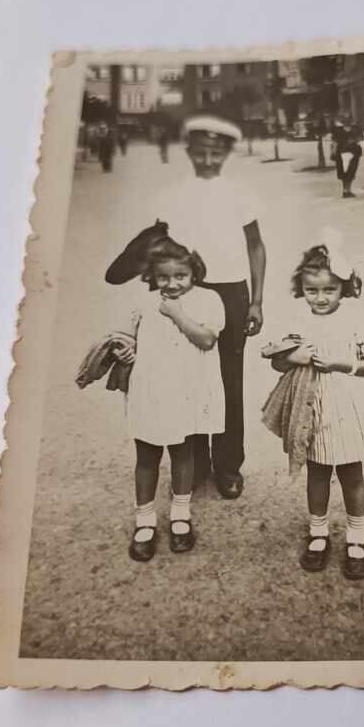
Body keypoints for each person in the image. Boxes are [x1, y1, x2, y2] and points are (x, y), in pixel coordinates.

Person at [105, 114, 266, 501]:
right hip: (184, 289)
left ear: (227, 153)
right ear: (190, 151)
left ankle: (228, 465)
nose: (209, 160)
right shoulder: (171, 195)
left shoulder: (239, 193)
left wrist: (257, 300)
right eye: (202, 152)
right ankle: (194, 462)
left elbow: (256, 246)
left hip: (230, 291)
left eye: (217, 153)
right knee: (185, 375)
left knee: (229, 379)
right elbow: (157, 248)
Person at [261, 231, 364, 580]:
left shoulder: (357, 318)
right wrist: (294, 357)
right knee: (316, 471)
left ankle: (357, 539)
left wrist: (341, 364)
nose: (320, 298)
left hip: (349, 403)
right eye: (312, 290)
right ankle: (318, 533)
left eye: (329, 290)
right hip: (310, 406)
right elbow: (277, 362)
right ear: (302, 288)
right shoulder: (298, 320)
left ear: (345, 288)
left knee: (350, 473)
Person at [110, 236, 225, 562]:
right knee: (146, 455)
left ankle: (180, 516)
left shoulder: (209, 299)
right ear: (152, 276)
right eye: (164, 277)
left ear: (194, 272)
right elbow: (129, 336)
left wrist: (176, 313)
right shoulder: (143, 302)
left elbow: (206, 339)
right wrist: (125, 348)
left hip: (185, 391)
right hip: (149, 388)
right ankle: (144, 520)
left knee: (182, 452)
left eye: (181, 276)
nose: (172, 284)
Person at [331, 119, 363, 198]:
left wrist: (333, 153)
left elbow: (334, 143)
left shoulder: (338, 130)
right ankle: (346, 191)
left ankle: (346, 190)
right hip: (350, 153)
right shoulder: (355, 129)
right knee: (349, 172)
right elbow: (359, 140)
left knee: (348, 172)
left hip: (346, 153)